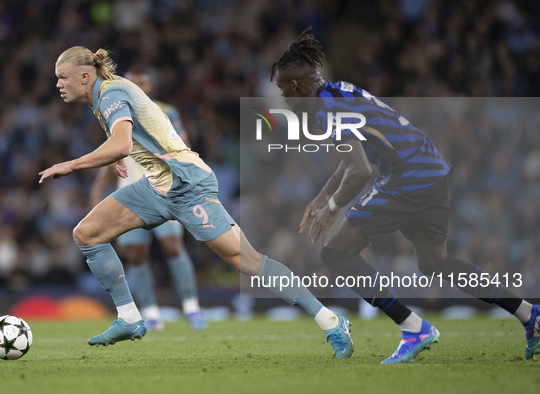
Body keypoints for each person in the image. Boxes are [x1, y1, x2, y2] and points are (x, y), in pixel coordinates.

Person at [39, 46, 353, 357]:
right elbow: (129, 139)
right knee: (87, 234)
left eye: (62, 77)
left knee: (246, 260)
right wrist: (125, 153)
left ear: (84, 76)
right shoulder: (102, 98)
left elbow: (121, 142)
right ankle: (130, 318)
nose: (57, 84)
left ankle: (330, 321)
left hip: (188, 185)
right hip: (156, 187)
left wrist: (72, 164)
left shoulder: (109, 94)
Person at [270, 27, 540, 363]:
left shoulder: (328, 109)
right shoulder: (338, 92)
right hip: (432, 169)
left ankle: (414, 327)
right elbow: (352, 157)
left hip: (407, 176)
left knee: (336, 254)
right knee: (435, 262)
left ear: (295, 86)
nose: (282, 98)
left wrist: (333, 207)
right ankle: (529, 313)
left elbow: (361, 171)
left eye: (282, 91)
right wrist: (322, 197)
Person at [90, 69, 206, 331]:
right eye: (133, 82)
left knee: (172, 245)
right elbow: (111, 151)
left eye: (142, 82)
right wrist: (98, 188)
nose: (138, 86)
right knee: (136, 255)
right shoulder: (114, 111)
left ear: (150, 86)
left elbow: (181, 147)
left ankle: (192, 308)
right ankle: (151, 313)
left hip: (163, 189)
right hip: (129, 191)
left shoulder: (166, 112)